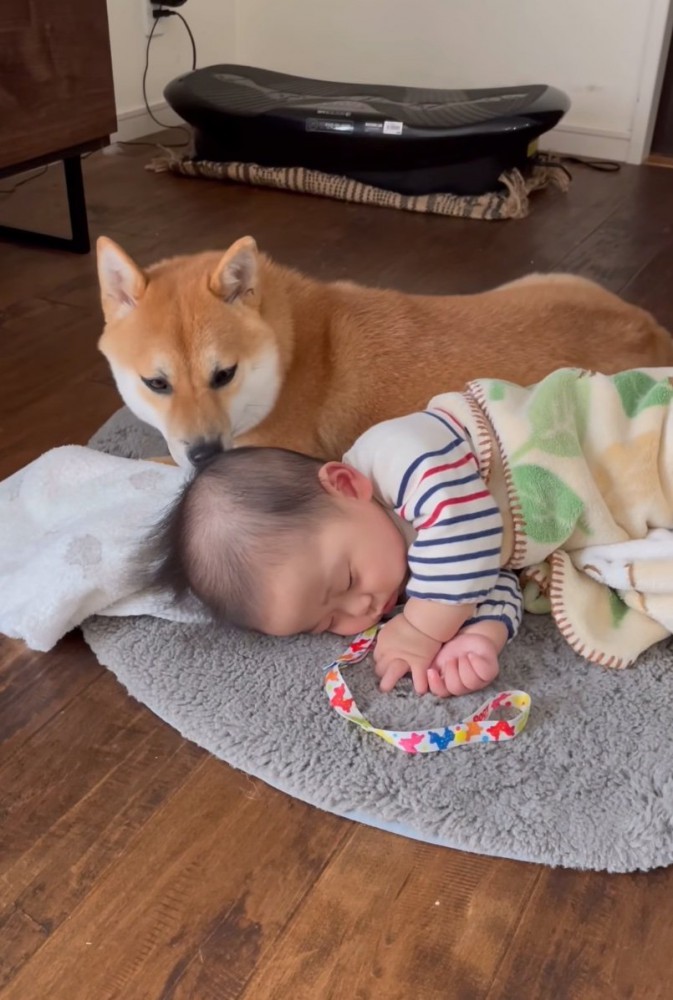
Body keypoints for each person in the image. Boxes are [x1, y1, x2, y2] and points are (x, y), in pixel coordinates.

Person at [150, 367, 673, 697]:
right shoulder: (398, 564)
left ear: (344, 483)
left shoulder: (400, 453)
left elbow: (466, 530)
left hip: (618, 433)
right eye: (323, 622)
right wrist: (476, 637)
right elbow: (489, 578)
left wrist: (425, 628)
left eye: (346, 579)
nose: (359, 611)